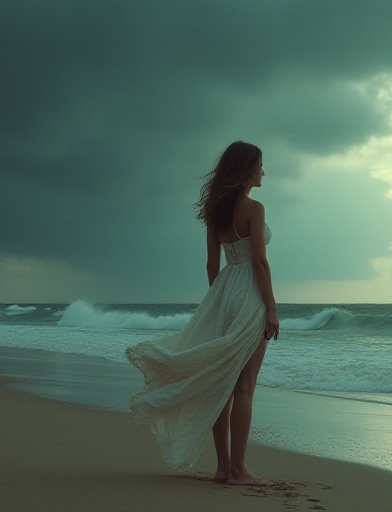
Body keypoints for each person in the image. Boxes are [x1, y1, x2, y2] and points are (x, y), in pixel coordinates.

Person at [126, 141, 279, 486]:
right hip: (250, 293)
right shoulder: (254, 208)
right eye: (259, 166)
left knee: (220, 383)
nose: (263, 172)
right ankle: (238, 471)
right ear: (246, 170)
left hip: (223, 291)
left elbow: (212, 264)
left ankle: (223, 468)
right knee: (244, 387)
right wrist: (270, 307)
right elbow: (258, 261)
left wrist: (219, 302)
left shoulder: (216, 211)